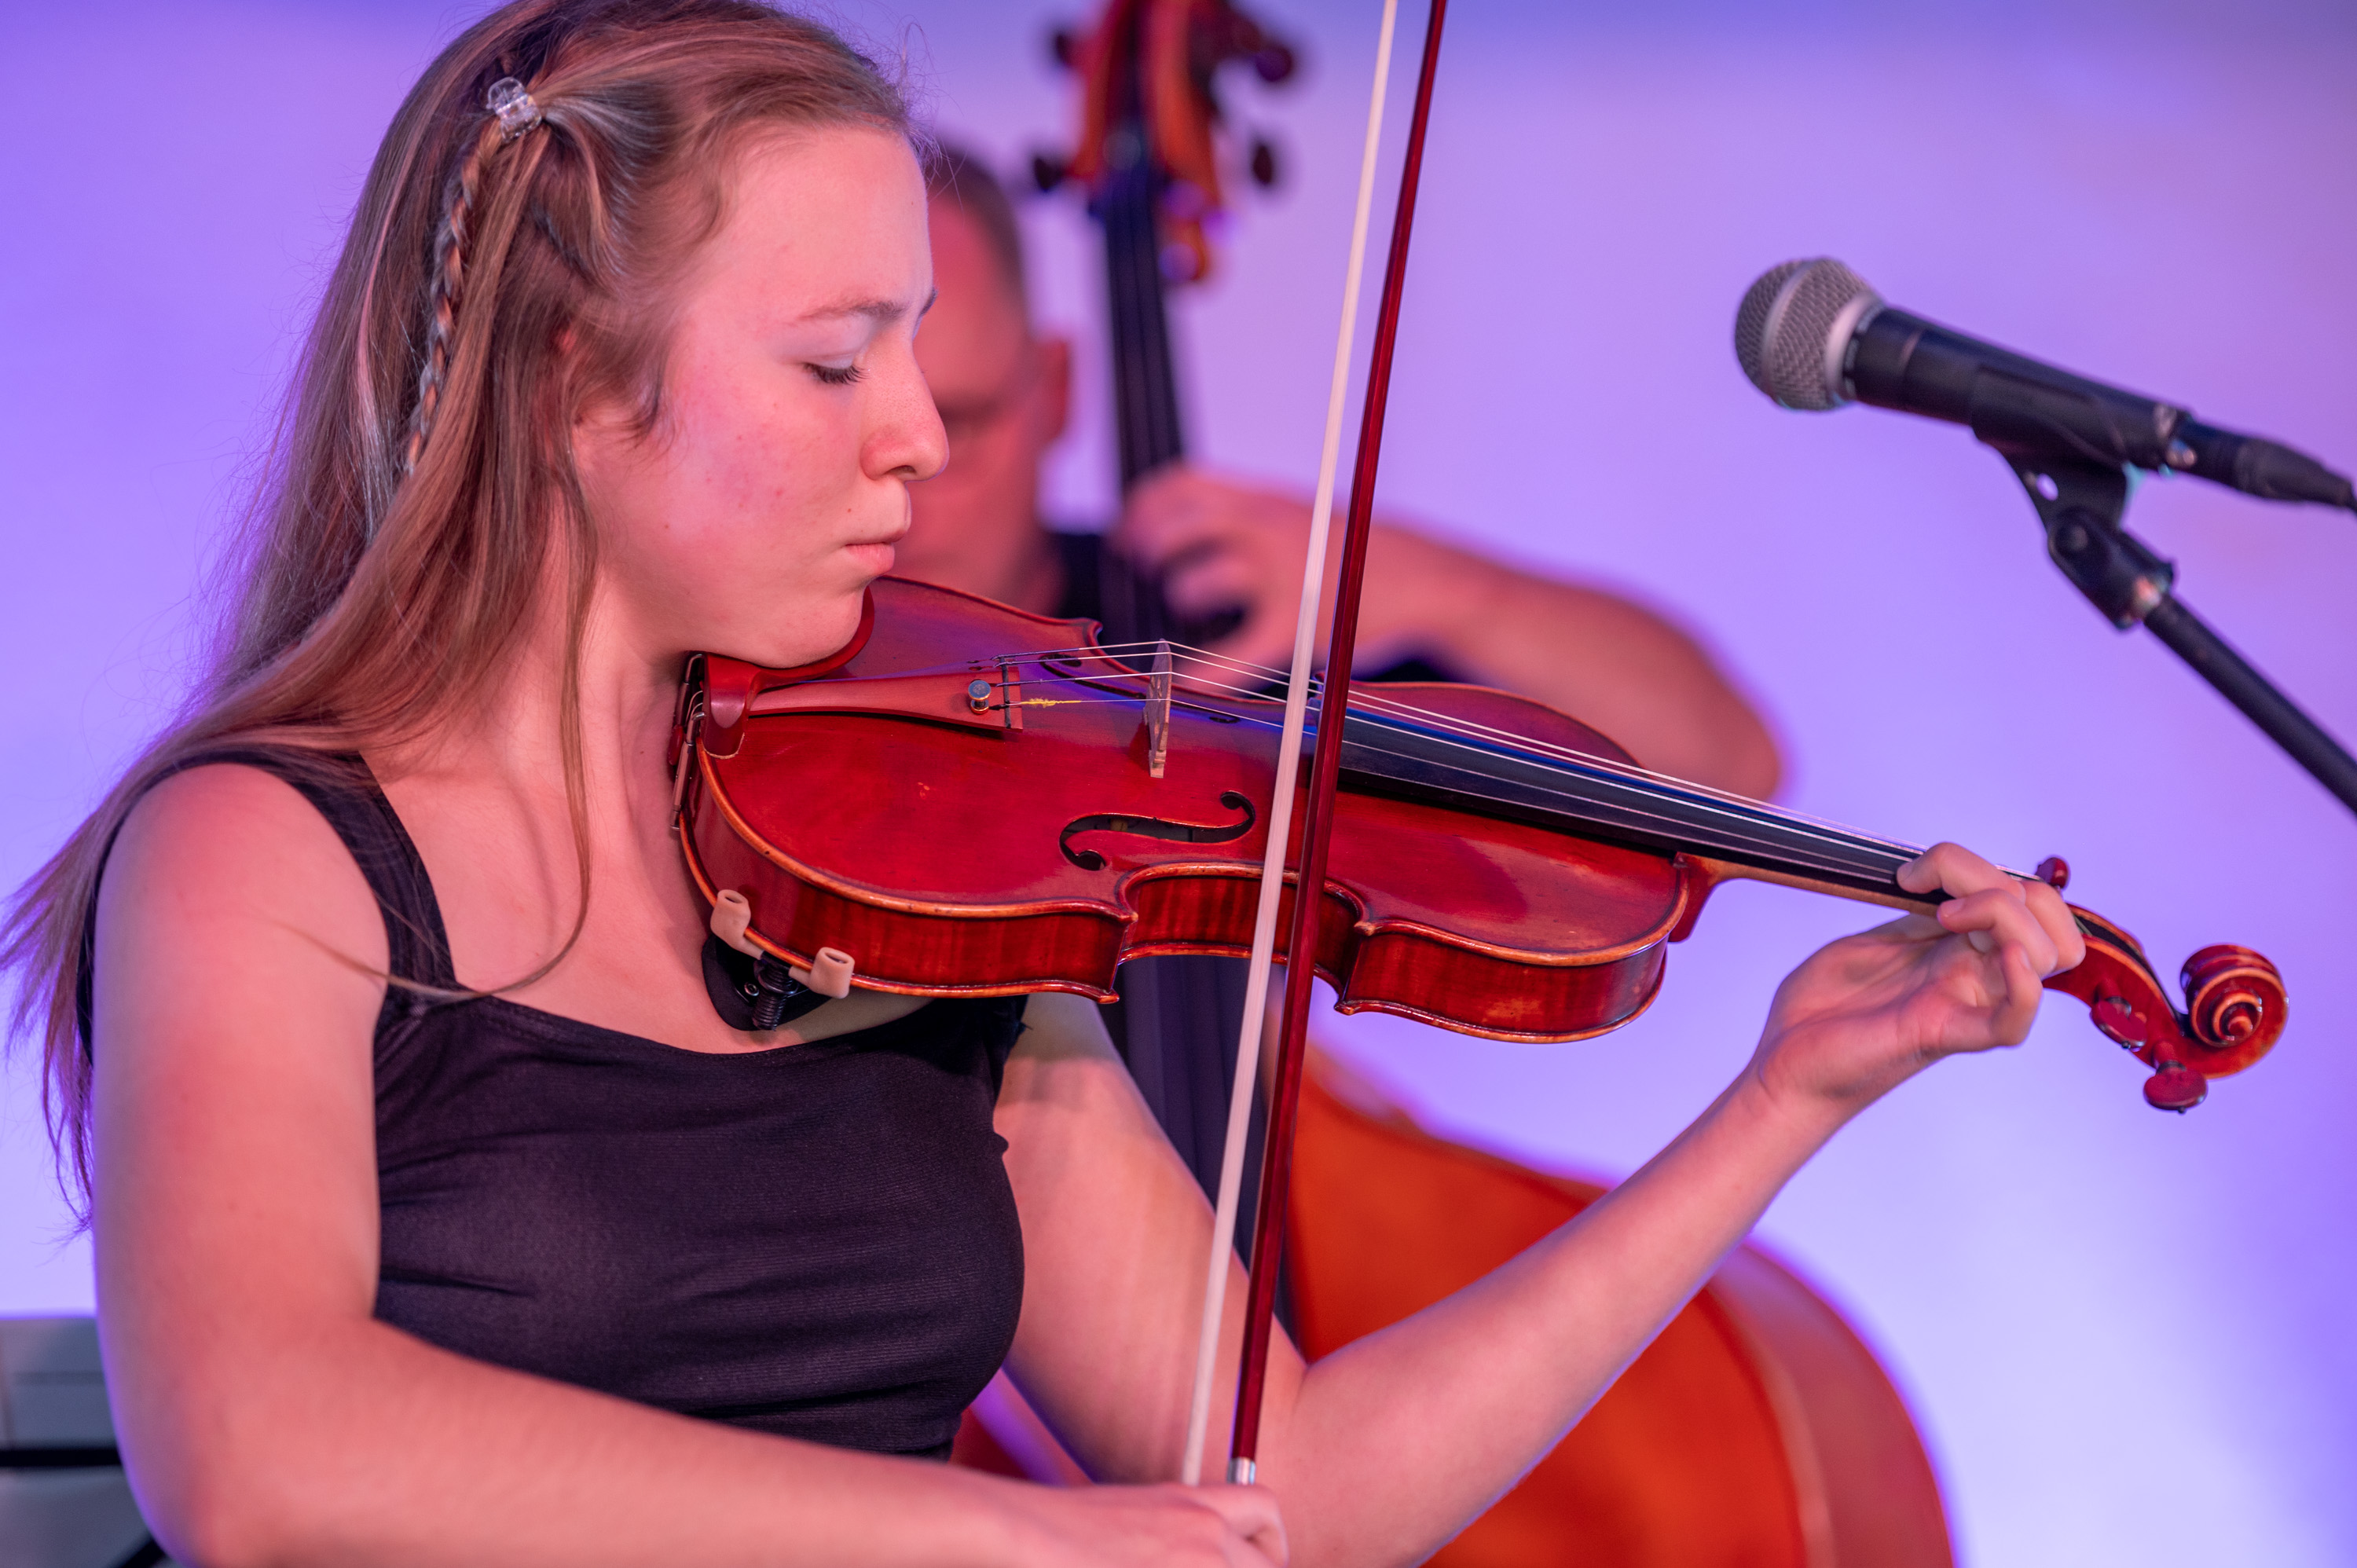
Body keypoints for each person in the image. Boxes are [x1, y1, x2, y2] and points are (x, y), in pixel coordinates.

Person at [1, 4, 2082, 1564]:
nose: (918, 437)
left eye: (918, 351)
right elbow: (268, 1460)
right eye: (836, 361)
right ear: (566, 387)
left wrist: (1775, 1106)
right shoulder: (262, 853)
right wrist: (1001, 1541)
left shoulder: (904, 864)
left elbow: (1298, 1491)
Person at [905, 146, 1783, 801]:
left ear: (1055, 389)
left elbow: (1727, 761)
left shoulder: (1205, 642)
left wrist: (1446, 587)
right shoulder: (767, 650)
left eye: (961, 421)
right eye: (850, 405)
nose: (909, 490)